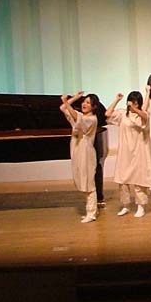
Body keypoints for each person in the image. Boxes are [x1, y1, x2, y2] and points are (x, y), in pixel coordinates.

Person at [105, 91, 151, 217]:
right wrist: (117, 99)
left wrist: (136, 109)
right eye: (132, 101)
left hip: (139, 152)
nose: (133, 104)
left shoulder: (142, 115)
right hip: (125, 152)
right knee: (123, 180)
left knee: (139, 180)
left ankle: (141, 206)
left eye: (136, 102)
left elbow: (145, 117)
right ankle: (126, 205)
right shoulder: (123, 114)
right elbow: (108, 114)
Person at [60, 91, 100, 222]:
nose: (84, 104)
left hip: (86, 151)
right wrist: (75, 98)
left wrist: (66, 101)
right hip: (78, 148)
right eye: (84, 101)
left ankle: (91, 213)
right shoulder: (81, 116)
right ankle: (91, 210)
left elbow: (76, 118)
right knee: (82, 180)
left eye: (88, 103)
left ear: (94, 107)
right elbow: (63, 108)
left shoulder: (91, 119)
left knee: (88, 182)